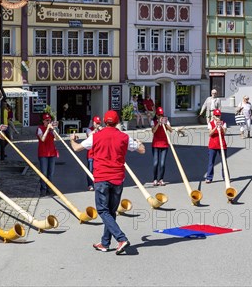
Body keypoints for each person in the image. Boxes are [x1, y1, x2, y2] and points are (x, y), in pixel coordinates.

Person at [70, 110, 145, 255]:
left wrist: (72, 139)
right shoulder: (124, 137)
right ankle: (105, 243)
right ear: (117, 122)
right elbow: (141, 150)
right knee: (111, 211)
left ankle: (121, 238)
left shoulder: (96, 136)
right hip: (118, 179)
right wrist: (139, 143)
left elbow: (77, 148)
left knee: (103, 211)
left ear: (105, 122)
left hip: (102, 178)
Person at [37, 113, 59, 196]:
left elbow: (56, 138)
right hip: (43, 154)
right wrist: (47, 130)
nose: (49, 122)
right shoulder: (40, 128)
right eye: (47, 120)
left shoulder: (51, 130)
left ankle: (49, 189)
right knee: (44, 173)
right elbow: (42, 139)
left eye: (50, 120)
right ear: (43, 121)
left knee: (50, 173)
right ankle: (43, 189)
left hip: (52, 153)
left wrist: (53, 130)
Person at [151, 107, 174, 187]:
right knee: (155, 163)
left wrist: (165, 124)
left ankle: (161, 179)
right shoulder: (153, 121)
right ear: (156, 115)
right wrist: (158, 123)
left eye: (162, 114)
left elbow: (171, 130)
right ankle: (155, 179)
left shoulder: (166, 121)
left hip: (164, 144)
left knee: (162, 163)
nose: (161, 116)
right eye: (159, 115)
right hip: (156, 144)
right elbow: (153, 131)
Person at [204, 109, 228, 184]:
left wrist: (220, 127)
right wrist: (215, 127)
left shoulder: (223, 123)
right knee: (211, 162)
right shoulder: (210, 123)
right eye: (216, 115)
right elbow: (210, 134)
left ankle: (226, 177)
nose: (218, 117)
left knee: (224, 162)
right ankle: (209, 178)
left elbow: (224, 132)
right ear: (213, 116)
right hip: (213, 145)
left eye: (219, 115)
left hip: (222, 145)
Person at [85, 116, 102, 191]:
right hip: (91, 154)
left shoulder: (100, 130)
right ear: (93, 122)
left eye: (99, 123)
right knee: (90, 170)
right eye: (96, 123)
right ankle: (90, 185)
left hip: (99, 153)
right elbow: (89, 136)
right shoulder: (89, 129)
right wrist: (95, 130)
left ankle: (97, 184)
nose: (98, 125)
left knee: (98, 170)